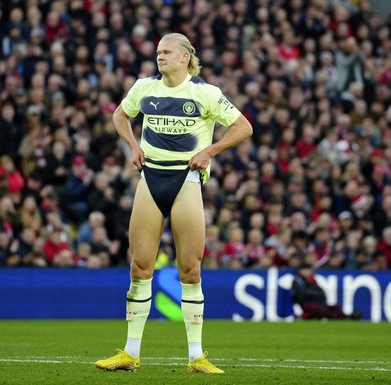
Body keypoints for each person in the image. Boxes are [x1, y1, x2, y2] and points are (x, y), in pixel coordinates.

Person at [95, 33, 252, 374]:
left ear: (185, 57)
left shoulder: (205, 93)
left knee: (190, 269)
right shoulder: (143, 88)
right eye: (157, 52)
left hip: (186, 180)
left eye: (166, 51)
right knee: (140, 266)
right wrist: (133, 147)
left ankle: (196, 357)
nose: (160, 56)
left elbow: (243, 127)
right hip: (150, 180)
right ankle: (130, 353)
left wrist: (209, 152)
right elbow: (120, 116)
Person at [291, 263, 361, 320]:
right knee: (322, 310)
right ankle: (343, 317)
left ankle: (347, 316)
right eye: (307, 270)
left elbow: (321, 293)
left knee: (335, 307)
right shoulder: (297, 281)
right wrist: (314, 294)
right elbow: (302, 293)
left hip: (316, 302)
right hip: (306, 304)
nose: (309, 272)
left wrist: (314, 293)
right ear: (301, 271)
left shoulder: (311, 281)